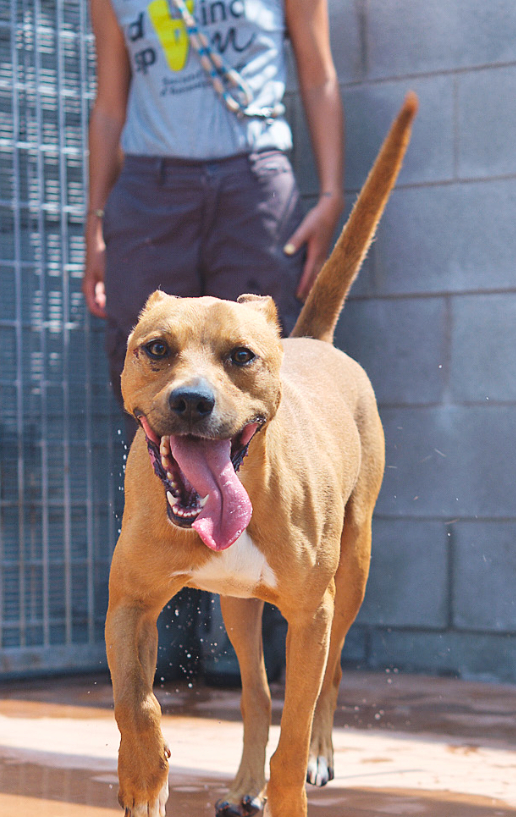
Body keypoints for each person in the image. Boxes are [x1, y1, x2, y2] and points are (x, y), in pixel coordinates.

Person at [82, 0, 344, 683]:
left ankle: (271, 618)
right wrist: (95, 221)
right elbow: (110, 105)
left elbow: (318, 73)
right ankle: (165, 612)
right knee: (157, 393)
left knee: (251, 397)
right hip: (150, 187)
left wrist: (331, 193)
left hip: (253, 183)